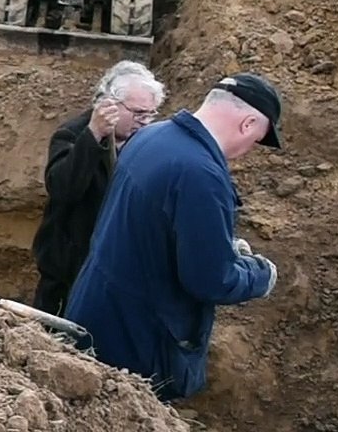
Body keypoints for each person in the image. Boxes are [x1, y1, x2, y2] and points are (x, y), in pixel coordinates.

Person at [62, 73, 283, 403]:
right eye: (254, 141)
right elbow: (210, 280)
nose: (246, 151)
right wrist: (259, 275)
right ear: (248, 124)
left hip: (96, 317)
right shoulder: (201, 174)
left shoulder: (152, 136)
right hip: (136, 350)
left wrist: (218, 246)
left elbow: (153, 229)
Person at [30, 60, 165, 316]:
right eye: (138, 113)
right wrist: (94, 136)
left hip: (117, 267)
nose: (145, 122)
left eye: (151, 114)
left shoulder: (146, 142)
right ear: (109, 104)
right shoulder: (73, 134)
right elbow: (63, 188)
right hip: (68, 267)